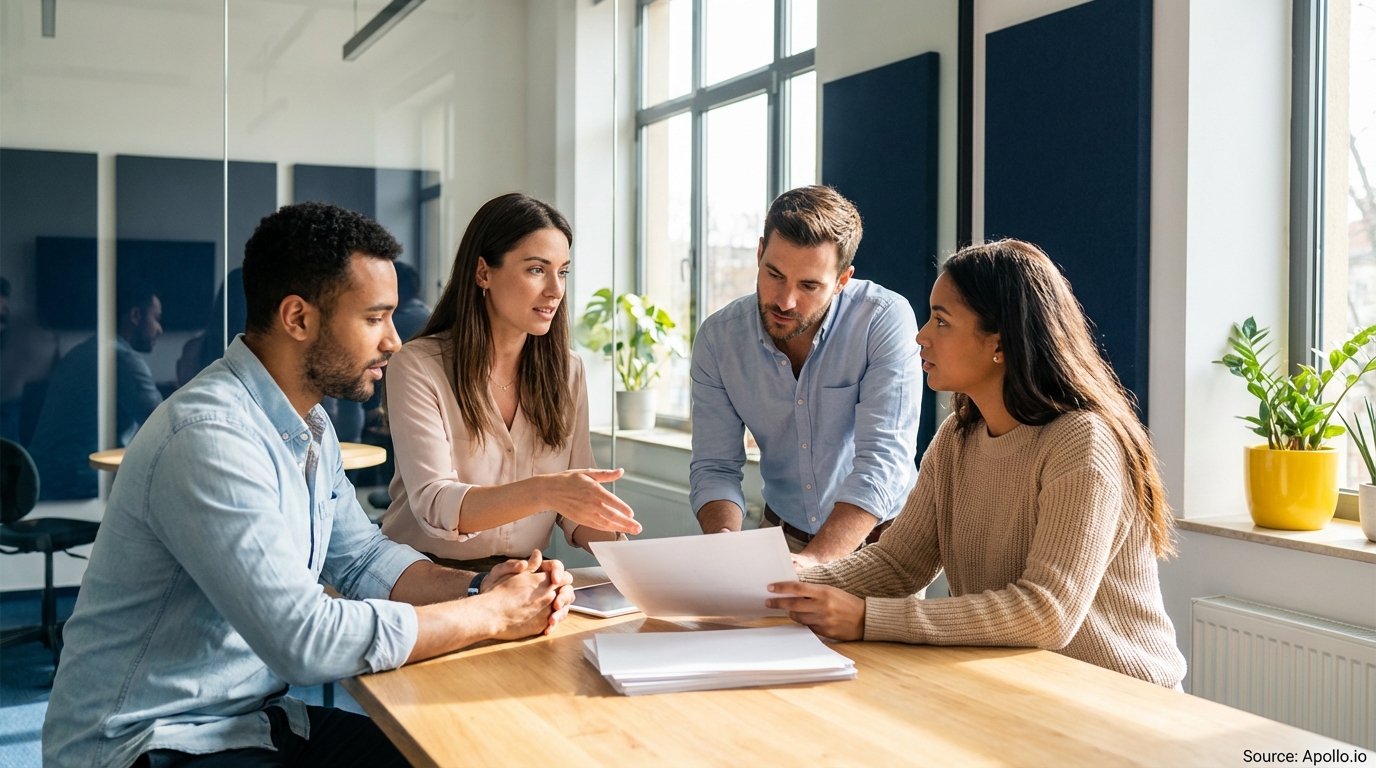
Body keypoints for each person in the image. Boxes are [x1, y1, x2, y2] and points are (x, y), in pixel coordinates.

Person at [42, 202, 575, 768]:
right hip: (150, 742)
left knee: (456, 756)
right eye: (375, 319)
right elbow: (304, 639)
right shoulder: (209, 436)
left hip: (249, 723)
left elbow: (362, 558)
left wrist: (478, 587)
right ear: (298, 318)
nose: (394, 342)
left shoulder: (309, 427)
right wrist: (490, 616)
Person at [766, 239, 1187, 689]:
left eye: (942, 321)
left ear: (1000, 342)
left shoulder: (1083, 443)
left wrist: (868, 618)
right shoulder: (958, 438)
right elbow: (898, 564)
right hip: (1029, 684)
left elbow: (1047, 612)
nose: (921, 335)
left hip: (1124, 698)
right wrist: (791, 583)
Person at [380, 193, 641, 570]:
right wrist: (549, 491)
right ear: (483, 272)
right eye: (537, 269)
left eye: (562, 271)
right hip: (423, 574)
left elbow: (574, 509)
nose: (555, 289)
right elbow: (435, 505)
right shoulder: (418, 366)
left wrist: (630, 556)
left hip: (520, 576)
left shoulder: (568, 371)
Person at [690, 185, 922, 566]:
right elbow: (715, 466)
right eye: (775, 274)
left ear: (843, 280)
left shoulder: (882, 320)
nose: (785, 301)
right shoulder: (719, 339)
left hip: (883, 547)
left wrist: (815, 563)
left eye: (809, 285)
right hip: (781, 537)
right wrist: (725, 544)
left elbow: (882, 462)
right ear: (760, 252)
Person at [26, 280, 164, 500]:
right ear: (136, 316)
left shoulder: (82, 352)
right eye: (156, 319)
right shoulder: (122, 359)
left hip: (43, 483)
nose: (160, 329)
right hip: (79, 485)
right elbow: (165, 426)